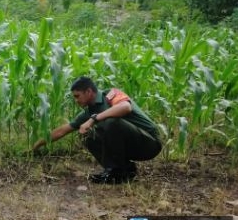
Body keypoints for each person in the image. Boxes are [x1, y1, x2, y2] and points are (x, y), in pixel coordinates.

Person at [31, 76, 162, 184]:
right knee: (87, 134)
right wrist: (35, 146)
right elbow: (63, 130)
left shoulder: (111, 94)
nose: (76, 100)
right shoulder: (89, 111)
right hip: (131, 147)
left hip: (149, 143)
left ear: (88, 92)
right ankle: (119, 171)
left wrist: (93, 119)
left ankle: (118, 170)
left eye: (77, 96)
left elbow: (125, 107)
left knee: (112, 122)